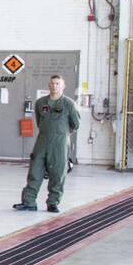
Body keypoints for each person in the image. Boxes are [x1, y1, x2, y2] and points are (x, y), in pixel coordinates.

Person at [14, 74, 81, 214]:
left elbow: (75, 124)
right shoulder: (40, 103)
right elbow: (40, 122)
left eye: (57, 84)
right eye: (52, 83)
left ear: (63, 86)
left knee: (57, 173)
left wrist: (62, 133)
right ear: (48, 85)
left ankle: (53, 203)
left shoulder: (68, 104)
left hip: (59, 142)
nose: (54, 86)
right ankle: (29, 202)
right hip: (42, 140)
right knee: (35, 170)